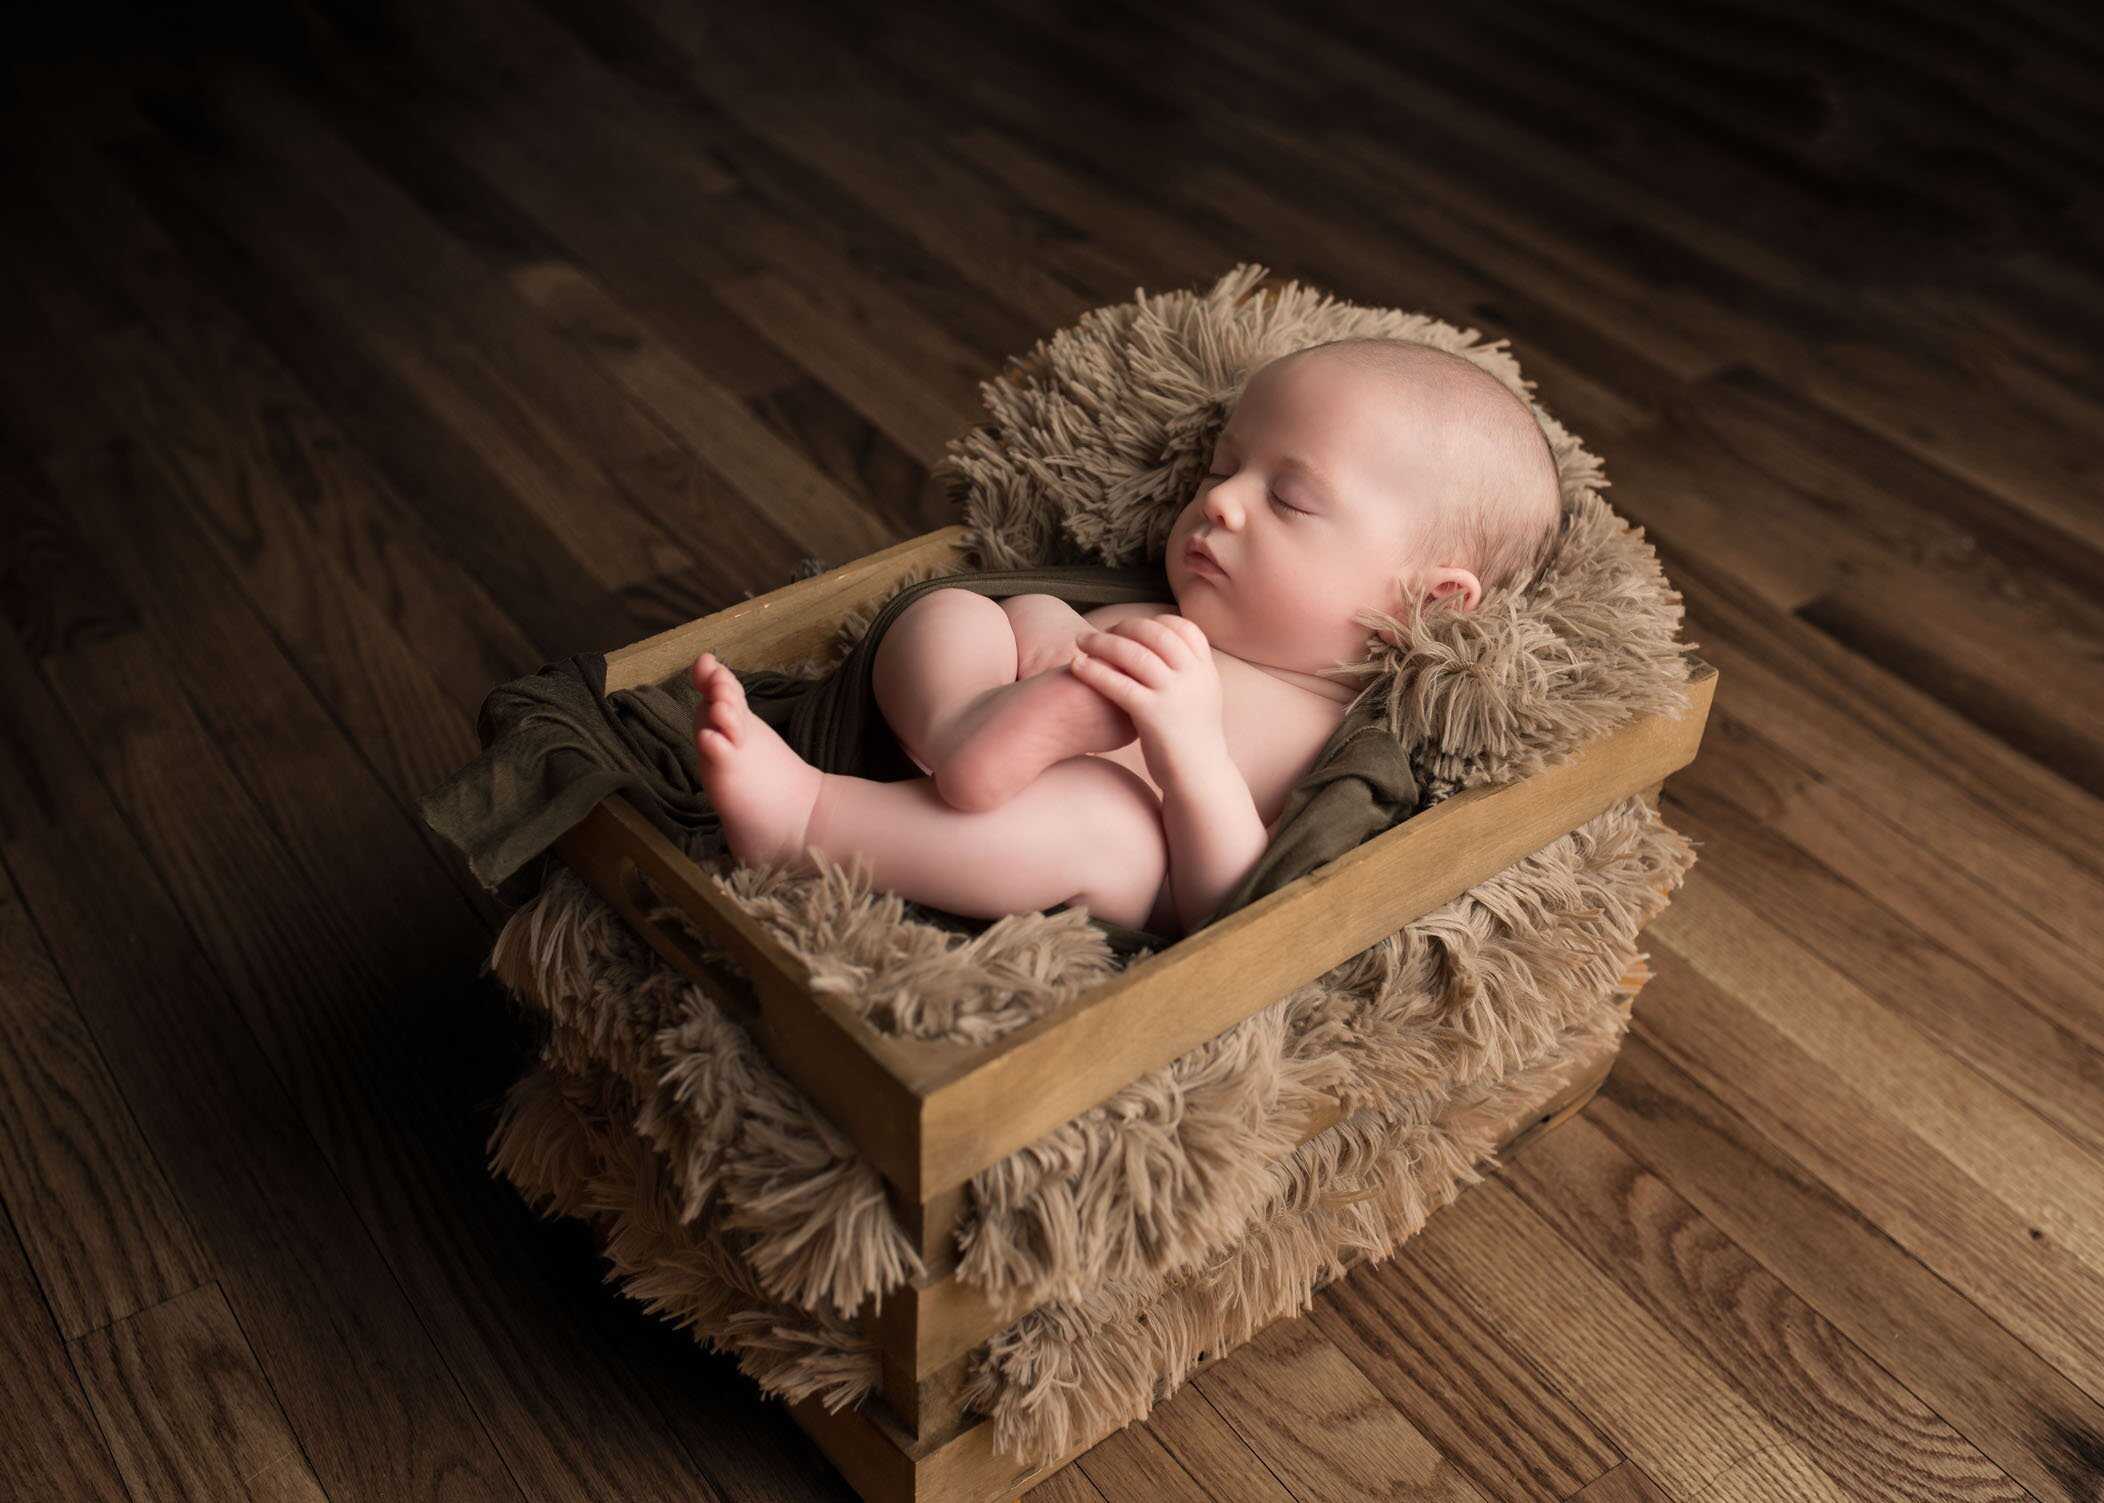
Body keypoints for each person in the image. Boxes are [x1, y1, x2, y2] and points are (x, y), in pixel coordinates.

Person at [689, 337, 1562, 939]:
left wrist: (1188, 750)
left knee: (1109, 821)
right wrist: (1041, 642)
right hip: (958, 745)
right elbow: (1020, 618)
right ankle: (966, 730)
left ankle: (813, 818)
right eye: (1222, 469)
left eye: (1289, 499)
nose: (1220, 501)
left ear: (1432, 605)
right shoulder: (1162, 607)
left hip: (1062, 866)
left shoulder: (1331, 735)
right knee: (957, 610)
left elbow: (1236, 908)